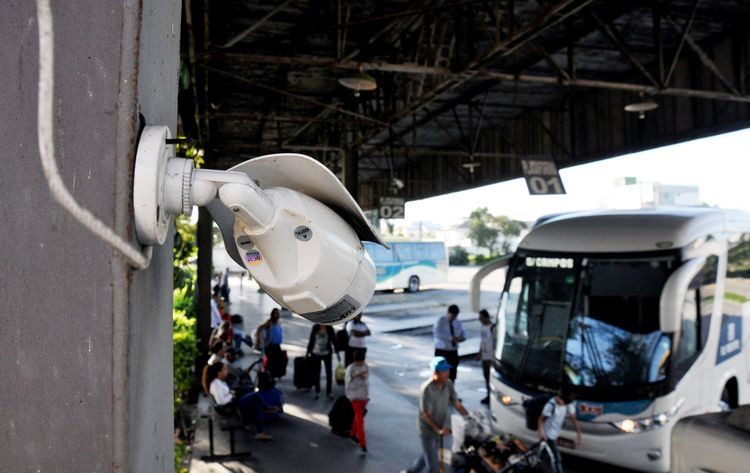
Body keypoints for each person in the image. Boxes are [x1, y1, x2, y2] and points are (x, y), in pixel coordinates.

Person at [402, 356, 469, 473]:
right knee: (433, 466)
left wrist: (469, 417)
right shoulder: (427, 389)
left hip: (440, 426)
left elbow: (457, 404)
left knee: (428, 454)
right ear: (435, 373)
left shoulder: (448, 384)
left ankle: (411, 472)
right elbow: (426, 414)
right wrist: (439, 429)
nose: (447, 373)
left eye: (447, 370)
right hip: (428, 430)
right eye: (444, 371)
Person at [206, 362, 278, 440]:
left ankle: (259, 432)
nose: (226, 371)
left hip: (233, 404)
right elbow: (221, 402)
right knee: (254, 395)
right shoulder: (216, 384)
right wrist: (232, 395)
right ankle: (266, 408)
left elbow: (226, 394)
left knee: (256, 404)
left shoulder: (220, 381)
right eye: (225, 369)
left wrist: (231, 393)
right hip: (230, 408)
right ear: (219, 372)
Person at [538, 390, 583, 473]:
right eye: (560, 399)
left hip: (555, 433)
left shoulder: (568, 404)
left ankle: (537, 460)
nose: (559, 400)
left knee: (544, 450)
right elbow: (541, 419)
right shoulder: (550, 405)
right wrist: (542, 434)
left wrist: (579, 434)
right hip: (548, 434)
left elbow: (574, 419)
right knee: (556, 457)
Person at [433, 305, 466, 382]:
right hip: (442, 350)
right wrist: (451, 338)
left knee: (452, 373)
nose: (454, 317)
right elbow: (437, 334)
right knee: (440, 373)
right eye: (452, 315)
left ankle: (450, 389)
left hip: (453, 351)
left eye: (455, 316)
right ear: (448, 313)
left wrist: (462, 338)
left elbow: (463, 332)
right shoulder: (440, 321)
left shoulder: (457, 322)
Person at [345, 349, 369, 454]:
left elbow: (367, 381)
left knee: (358, 417)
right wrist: (358, 378)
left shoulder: (365, 366)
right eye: (359, 362)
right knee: (360, 419)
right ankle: (363, 443)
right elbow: (348, 386)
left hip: (363, 396)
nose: (361, 364)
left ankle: (352, 434)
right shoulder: (350, 369)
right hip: (354, 397)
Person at [307, 324, 336, 400]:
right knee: (316, 373)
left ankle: (329, 392)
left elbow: (334, 340)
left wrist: (337, 349)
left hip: (327, 354)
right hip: (315, 353)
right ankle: (317, 391)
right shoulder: (315, 327)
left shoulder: (329, 328)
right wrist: (308, 352)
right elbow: (311, 340)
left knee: (329, 373)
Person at [478, 309, 494, 405]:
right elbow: (482, 341)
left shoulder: (493, 327)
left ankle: (491, 396)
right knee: (486, 377)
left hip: (490, 357)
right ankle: (488, 395)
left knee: (490, 378)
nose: (480, 320)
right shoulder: (482, 328)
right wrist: (479, 352)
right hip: (484, 356)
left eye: (481, 318)